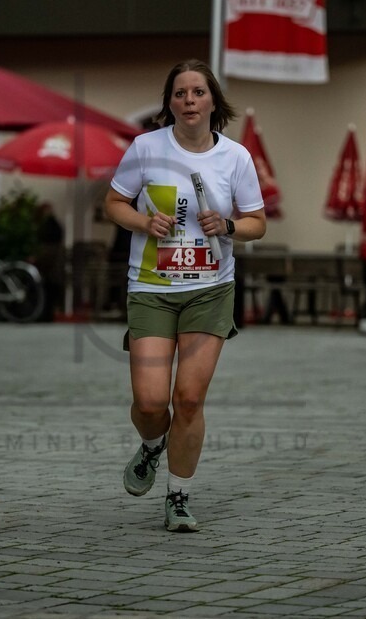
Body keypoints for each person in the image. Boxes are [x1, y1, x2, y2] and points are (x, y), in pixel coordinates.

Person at [104, 59, 266, 532]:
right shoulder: (145, 147)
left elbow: (257, 222)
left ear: (213, 100)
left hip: (210, 289)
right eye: (180, 93)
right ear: (169, 102)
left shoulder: (235, 157)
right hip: (152, 286)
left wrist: (230, 225)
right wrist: (144, 221)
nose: (189, 101)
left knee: (189, 399)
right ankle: (152, 445)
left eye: (198, 92)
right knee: (152, 403)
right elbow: (113, 203)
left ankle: (178, 496)